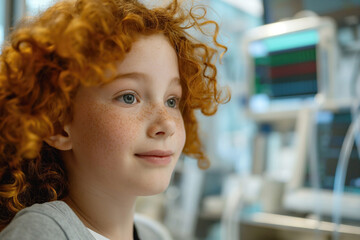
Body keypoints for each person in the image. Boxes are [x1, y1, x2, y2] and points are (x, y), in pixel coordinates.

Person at [0, 0, 230, 239]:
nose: (168, 124)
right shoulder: (41, 232)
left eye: (172, 101)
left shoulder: (156, 234)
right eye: (129, 97)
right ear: (57, 124)